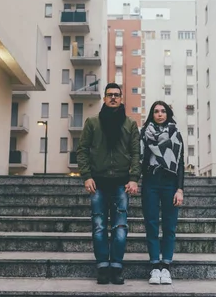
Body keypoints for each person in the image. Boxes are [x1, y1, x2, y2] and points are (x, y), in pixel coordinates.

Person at [77, 82, 141, 285]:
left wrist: (133, 178)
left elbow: (136, 153)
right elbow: (82, 150)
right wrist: (86, 175)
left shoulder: (130, 124)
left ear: (121, 98)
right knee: (98, 226)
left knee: (120, 227)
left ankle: (117, 266)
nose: (113, 97)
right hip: (98, 183)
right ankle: (103, 266)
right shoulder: (92, 122)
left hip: (121, 184)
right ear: (104, 98)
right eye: (109, 94)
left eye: (116, 95)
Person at [139, 101, 185, 285]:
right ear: (152, 114)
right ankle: (154, 267)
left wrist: (180, 189)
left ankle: (166, 267)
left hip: (169, 183)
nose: (159, 114)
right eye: (156, 111)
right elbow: (140, 160)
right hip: (150, 182)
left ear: (167, 114)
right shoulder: (144, 134)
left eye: (163, 111)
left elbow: (180, 163)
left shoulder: (175, 134)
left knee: (169, 226)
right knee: (151, 225)